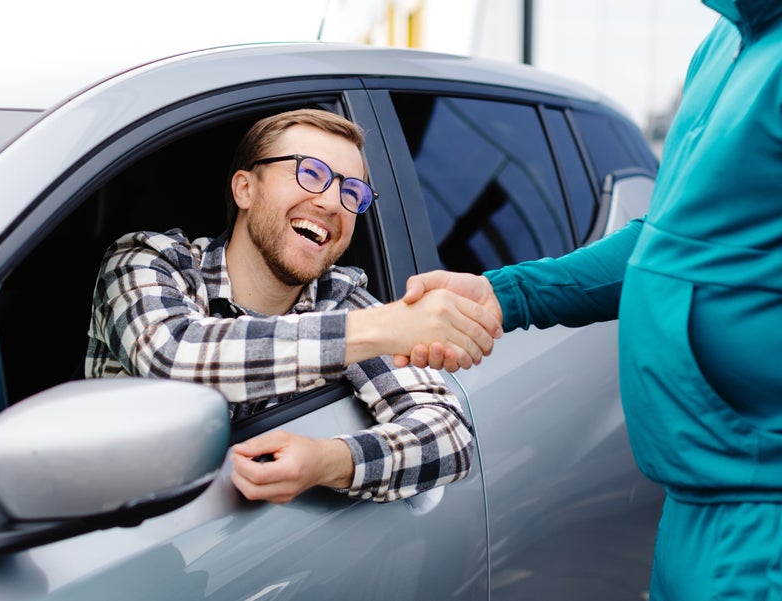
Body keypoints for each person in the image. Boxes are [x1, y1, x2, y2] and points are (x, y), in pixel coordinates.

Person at [400, 1, 782, 598]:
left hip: (765, 509)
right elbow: (665, 236)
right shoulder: (724, 44)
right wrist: (507, 294)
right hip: (696, 499)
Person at [85, 108, 501, 505]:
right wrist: (386, 327)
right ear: (245, 188)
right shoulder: (146, 260)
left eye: (351, 191)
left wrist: (330, 462)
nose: (333, 203)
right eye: (311, 173)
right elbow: (173, 355)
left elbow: (451, 435)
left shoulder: (340, 300)